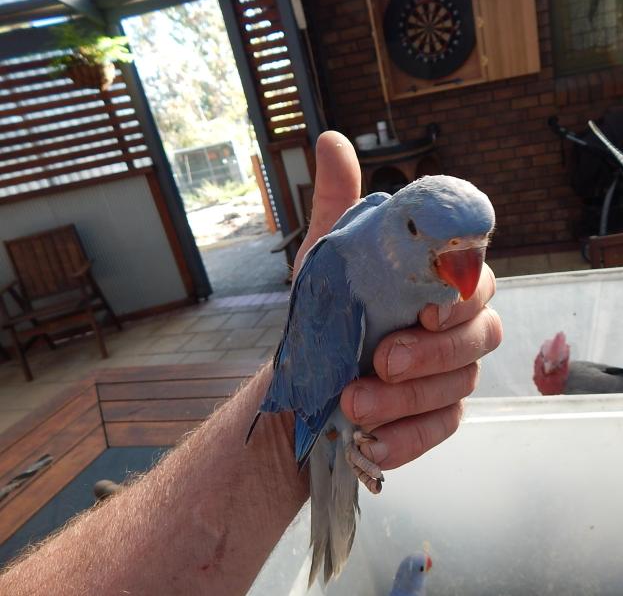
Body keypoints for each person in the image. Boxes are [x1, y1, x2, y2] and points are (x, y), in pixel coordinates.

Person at [0, 132, 502, 595]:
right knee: (335, 501)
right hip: (325, 414)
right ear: (403, 219)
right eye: (423, 235)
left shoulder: (406, 237)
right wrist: (320, 442)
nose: (460, 266)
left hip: (359, 402)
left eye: (477, 249)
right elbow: (312, 389)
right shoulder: (339, 264)